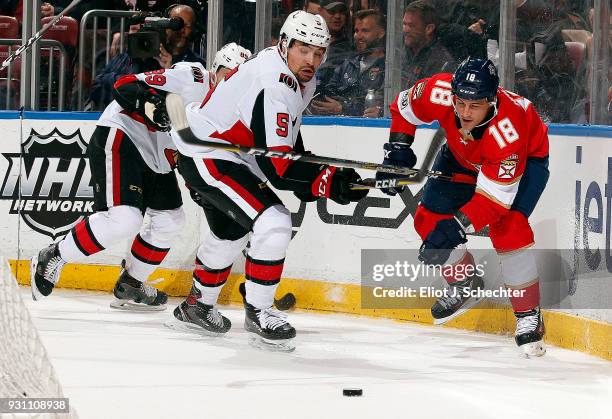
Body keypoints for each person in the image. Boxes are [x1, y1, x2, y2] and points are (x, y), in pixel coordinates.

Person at [167, 10, 368, 351]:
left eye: (319, 52)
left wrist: (317, 179)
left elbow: (287, 144)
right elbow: (279, 168)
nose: (312, 59)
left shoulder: (296, 76)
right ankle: (259, 311)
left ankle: (196, 305)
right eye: (304, 49)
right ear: (285, 44)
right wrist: (327, 181)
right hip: (208, 153)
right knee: (273, 222)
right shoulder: (276, 83)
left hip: (223, 150)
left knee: (231, 231)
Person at [30, 43, 252, 311]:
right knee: (124, 218)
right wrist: (153, 105)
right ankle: (53, 255)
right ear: (215, 70)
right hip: (124, 135)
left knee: (170, 220)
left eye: (238, 79)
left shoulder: (232, 112)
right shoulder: (192, 77)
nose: (230, 83)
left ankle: (132, 283)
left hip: (159, 159)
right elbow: (124, 85)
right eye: (227, 74)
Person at [376, 58, 549, 357]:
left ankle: (528, 314)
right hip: (462, 154)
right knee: (428, 219)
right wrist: (399, 150)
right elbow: (402, 107)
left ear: (492, 100)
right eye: (461, 103)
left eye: (476, 105)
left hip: (526, 159)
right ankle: (465, 282)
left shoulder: (508, 132)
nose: (466, 113)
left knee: (509, 228)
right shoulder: (438, 91)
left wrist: (455, 228)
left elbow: (494, 202)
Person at [311, 8, 386, 117]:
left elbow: (378, 106)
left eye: (365, 31)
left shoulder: (388, 67)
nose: (358, 36)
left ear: (381, 33)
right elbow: (329, 93)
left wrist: (343, 107)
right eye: (356, 31)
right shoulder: (348, 63)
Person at [402, 0, 456, 89]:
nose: (405, 30)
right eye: (404, 24)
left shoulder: (441, 63)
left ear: (429, 29)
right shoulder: (400, 53)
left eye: (411, 25)